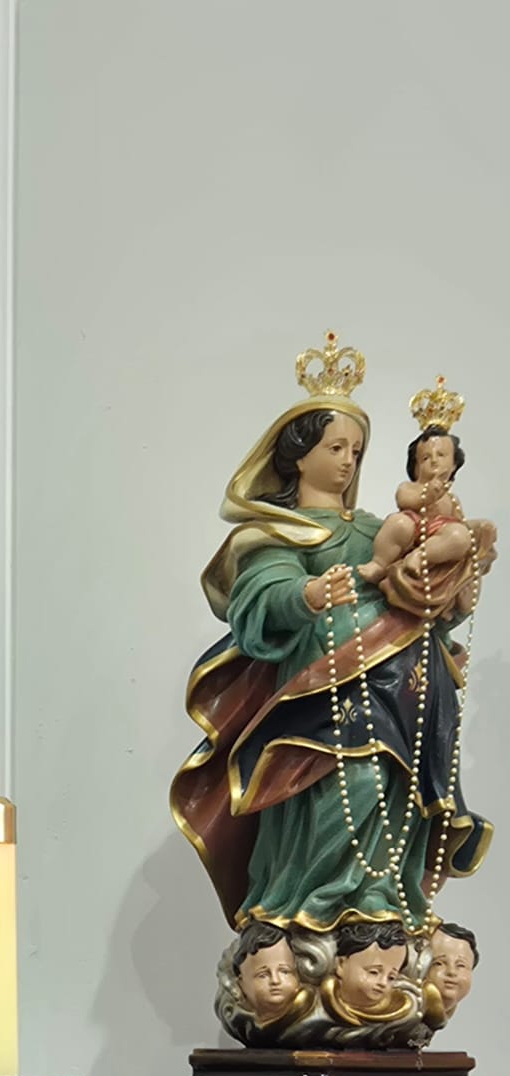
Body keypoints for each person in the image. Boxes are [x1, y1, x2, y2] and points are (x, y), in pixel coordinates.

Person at [171, 359, 494, 939]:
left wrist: (456, 588)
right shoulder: (279, 530)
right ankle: (308, 904)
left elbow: (419, 595)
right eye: (335, 447)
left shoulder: (379, 529)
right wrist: (308, 594)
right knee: (342, 788)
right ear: (298, 455)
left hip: (400, 695)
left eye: (356, 449)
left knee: (393, 793)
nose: (348, 461)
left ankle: (382, 907)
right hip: (320, 692)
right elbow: (259, 597)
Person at [358, 425, 474, 584]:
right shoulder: (409, 487)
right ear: (416, 467)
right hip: (413, 527)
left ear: (454, 464)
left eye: (441, 455)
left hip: (438, 535)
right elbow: (404, 500)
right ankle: (379, 563)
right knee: (398, 522)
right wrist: (427, 496)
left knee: (460, 535)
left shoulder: (451, 498)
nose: (434, 461)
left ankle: (420, 556)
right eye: (426, 458)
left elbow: (461, 522)